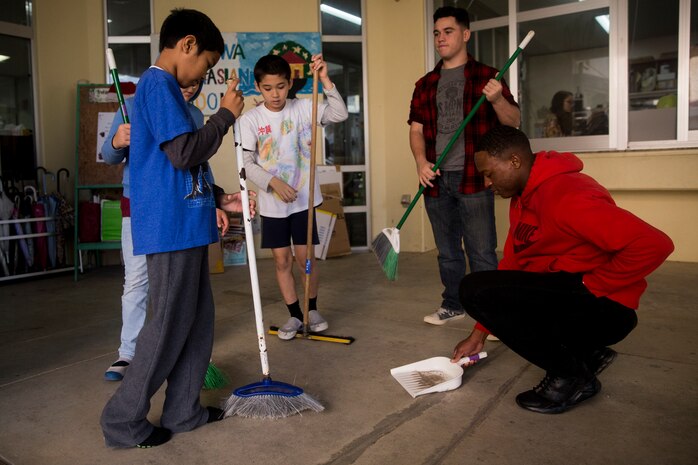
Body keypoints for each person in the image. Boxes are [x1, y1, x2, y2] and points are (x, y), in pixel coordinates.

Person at [451, 125, 674, 414]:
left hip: (606, 309)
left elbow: (655, 244)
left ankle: (571, 376)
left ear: (515, 161)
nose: (486, 183)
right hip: (574, 295)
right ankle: (586, 354)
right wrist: (477, 335)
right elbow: (513, 263)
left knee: (472, 289)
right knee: (486, 290)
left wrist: (593, 285)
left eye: (490, 173)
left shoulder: (567, 196)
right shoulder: (523, 196)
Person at [100, 8, 246, 448]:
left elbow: (182, 164)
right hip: (168, 227)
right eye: (206, 62)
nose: (205, 72)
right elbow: (184, 152)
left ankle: (185, 411)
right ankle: (122, 422)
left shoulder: (169, 93)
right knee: (164, 325)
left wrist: (219, 196)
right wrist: (224, 117)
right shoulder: (157, 84)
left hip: (187, 221)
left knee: (198, 322)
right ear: (186, 45)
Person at [101, 82, 245, 381]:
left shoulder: (192, 112)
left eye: (196, 84)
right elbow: (110, 157)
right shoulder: (130, 107)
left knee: (178, 282)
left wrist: (213, 201)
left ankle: (176, 350)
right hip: (139, 206)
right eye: (185, 84)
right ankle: (128, 354)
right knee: (137, 280)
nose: (190, 90)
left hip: (180, 205)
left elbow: (196, 162)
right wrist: (117, 141)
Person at [408, 6, 520, 326]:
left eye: (448, 31)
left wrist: (498, 100)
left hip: (474, 178)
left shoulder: (489, 77)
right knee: (447, 251)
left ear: (465, 34)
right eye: (436, 33)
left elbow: (514, 122)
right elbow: (416, 129)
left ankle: (491, 314)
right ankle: (453, 303)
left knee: (482, 251)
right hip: (435, 178)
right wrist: (420, 162)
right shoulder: (425, 84)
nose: (441, 38)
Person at [240, 54, 348, 340]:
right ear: (258, 87)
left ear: (289, 84)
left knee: (305, 258)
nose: (275, 94)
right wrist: (272, 182)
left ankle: (311, 309)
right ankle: (295, 316)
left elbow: (340, 114)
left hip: (304, 202)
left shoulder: (304, 108)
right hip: (272, 204)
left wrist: (324, 79)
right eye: (267, 88)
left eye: (280, 86)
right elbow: (247, 164)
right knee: (281, 261)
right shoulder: (250, 120)